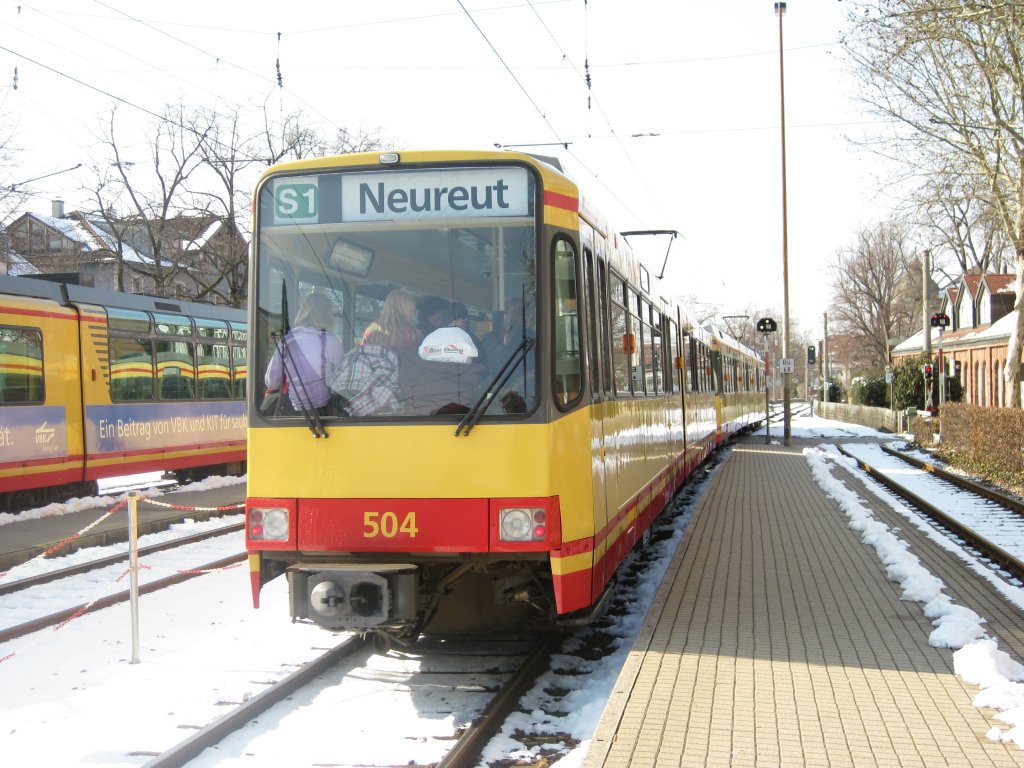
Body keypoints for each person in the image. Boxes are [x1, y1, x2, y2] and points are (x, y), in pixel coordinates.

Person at [332, 289, 418, 416]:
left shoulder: (371, 331)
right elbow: (413, 370)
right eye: (413, 309)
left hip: (366, 390)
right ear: (405, 309)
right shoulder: (411, 335)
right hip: (398, 393)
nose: (415, 312)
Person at [264, 292, 342, 413]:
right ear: (327, 316)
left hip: (294, 414)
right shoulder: (331, 341)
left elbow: (271, 382)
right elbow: (341, 381)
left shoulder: (286, 341)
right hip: (325, 413)